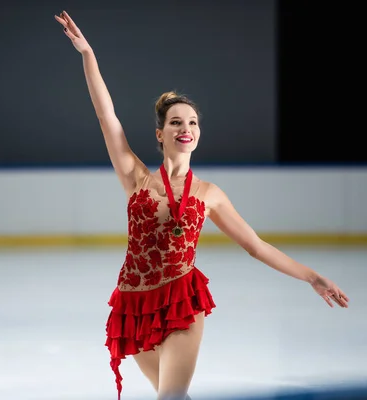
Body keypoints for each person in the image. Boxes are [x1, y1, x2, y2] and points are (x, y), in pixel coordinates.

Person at [54, 10, 349, 400]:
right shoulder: (136, 178)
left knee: (171, 396)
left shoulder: (209, 194)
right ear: (161, 134)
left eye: (192, 123)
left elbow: (255, 246)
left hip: (181, 300)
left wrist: (312, 276)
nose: (186, 129)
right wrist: (87, 54)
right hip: (134, 304)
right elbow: (106, 116)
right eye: (176, 122)